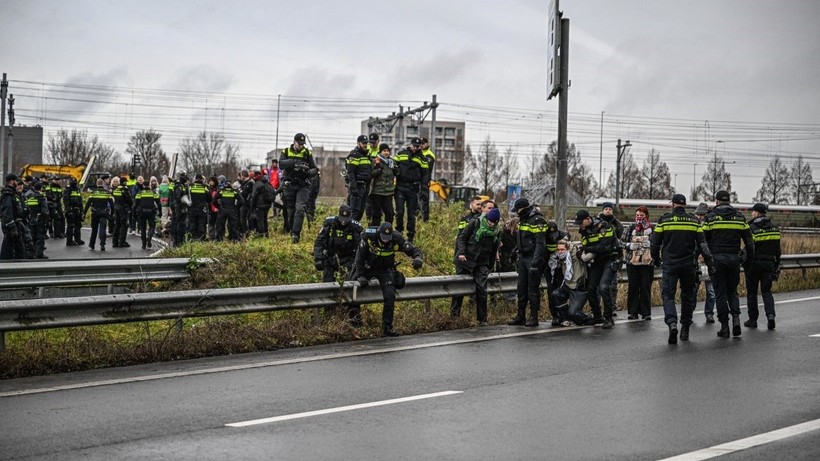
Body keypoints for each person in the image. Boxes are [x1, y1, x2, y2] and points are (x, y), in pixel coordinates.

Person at [651, 194, 715, 344]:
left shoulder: (665, 220)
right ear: (685, 205)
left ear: (673, 204)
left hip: (670, 265)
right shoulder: (694, 221)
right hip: (688, 265)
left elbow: (655, 243)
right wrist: (710, 263)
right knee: (688, 296)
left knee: (668, 295)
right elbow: (703, 245)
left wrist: (656, 259)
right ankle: (685, 328)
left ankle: (672, 323)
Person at [354, 222, 423, 336]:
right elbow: (359, 257)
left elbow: (411, 248)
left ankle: (387, 327)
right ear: (379, 233)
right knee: (354, 289)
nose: (385, 240)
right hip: (367, 267)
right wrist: (360, 274)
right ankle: (355, 321)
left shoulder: (396, 238)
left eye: (388, 238)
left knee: (390, 296)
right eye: (383, 237)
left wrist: (418, 258)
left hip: (384, 270)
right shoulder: (369, 236)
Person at [703, 190, 754, 338]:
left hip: (717, 260)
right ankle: (736, 320)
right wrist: (747, 259)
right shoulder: (740, 217)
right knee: (732, 291)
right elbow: (750, 242)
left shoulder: (710, 217)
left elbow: (703, 241)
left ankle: (725, 327)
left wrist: (706, 258)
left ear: (716, 201)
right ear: (729, 201)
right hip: (734, 260)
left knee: (720, 293)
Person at [314, 205, 363, 320]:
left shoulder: (356, 228)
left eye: (346, 219)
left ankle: (354, 316)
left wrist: (359, 265)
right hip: (331, 258)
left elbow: (361, 249)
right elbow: (319, 242)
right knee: (328, 287)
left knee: (351, 286)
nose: (344, 222)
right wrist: (318, 259)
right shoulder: (330, 224)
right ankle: (329, 316)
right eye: (342, 218)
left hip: (347, 260)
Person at [454, 207, 502, 325]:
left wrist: (490, 266)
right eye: (490, 222)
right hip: (467, 259)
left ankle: (482, 319)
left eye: (494, 223)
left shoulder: (497, 231)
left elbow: (494, 249)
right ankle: (454, 316)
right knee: (459, 290)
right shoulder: (475, 222)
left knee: (482, 290)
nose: (491, 225)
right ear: (487, 219)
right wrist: (461, 252)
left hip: (482, 262)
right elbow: (462, 238)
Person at [576, 208, 619, 329]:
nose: (579, 225)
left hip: (610, 258)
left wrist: (587, 249)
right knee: (591, 288)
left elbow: (604, 247)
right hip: (597, 261)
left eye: (580, 222)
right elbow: (586, 246)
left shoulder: (603, 225)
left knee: (604, 287)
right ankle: (597, 316)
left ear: (588, 219)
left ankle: (609, 318)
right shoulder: (583, 230)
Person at [508, 198, 547, 327]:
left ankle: (533, 317)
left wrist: (535, 263)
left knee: (532, 289)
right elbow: (521, 239)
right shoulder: (523, 219)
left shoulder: (538, 220)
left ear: (524, 208)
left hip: (532, 259)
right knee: (521, 288)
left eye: (518, 210)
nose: (516, 213)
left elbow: (540, 244)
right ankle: (521, 316)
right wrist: (514, 252)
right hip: (523, 258)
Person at [744, 203, 781, 330]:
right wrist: (775, 266)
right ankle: (771, 316)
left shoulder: (751, 228)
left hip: (754, 265)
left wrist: (745, 263)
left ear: (758, 213)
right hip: (768, 265)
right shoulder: (775, 228)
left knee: (752, 293)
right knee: (767, 292)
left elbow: (748, 249)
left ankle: (753, 320)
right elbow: (778, 252)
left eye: (753, 211)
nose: (752, 214)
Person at [280, 133, 318, 243]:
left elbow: (314, 169)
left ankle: (296, 235)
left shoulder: (307, 152)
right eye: (299, 143)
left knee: (300, 209)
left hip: (303, 185)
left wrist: (307, 170)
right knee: (290, 212)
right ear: (294, 141)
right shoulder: (286, 151)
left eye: (302, 144)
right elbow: (281, 164)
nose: (301, 146)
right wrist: (294, 163)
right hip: (290, 184)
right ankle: (292, 231)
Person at [450, 196, 484, 315]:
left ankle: (471, 312)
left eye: (481, 205)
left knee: (476, 288)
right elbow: (461, 238)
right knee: (459, 287)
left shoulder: (482, 219)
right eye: (477, 204)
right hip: (463, 257)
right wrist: (460, 253)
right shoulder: (465, 219)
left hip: (475, 258)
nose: (479, 206)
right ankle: (454, 313)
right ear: (471, 205)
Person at [549, 239, 593, 326]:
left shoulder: (576, 253)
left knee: (574, 314)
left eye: (562, 250)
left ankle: (589, 318)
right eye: (558, 250)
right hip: (568, 284)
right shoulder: (559, 258)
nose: (560, 252)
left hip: (579, 286)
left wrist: (583, 255)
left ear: (567, 249)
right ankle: (565, 318)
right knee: (556, 294)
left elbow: (591, 253)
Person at [393, 137, 428, 242]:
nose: (416, 148)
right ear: (411, 145)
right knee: (399, 211)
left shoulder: (422, 158)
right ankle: (399, 232)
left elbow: (425, 174)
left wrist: (424, 187)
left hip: (413, 188)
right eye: (414, 146)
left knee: (411, 214)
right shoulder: (401, 153)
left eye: (418, 147)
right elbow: (393, 165)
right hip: (400, 187)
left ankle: (410, 236)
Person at [623, 206, 654, 320]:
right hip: (632, 262)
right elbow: (621, 242)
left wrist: (651, 245)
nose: (639, 217)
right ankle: (633, 312)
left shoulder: (652, 229)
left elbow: (658, 243)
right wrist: (628, 245)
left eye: (642, 215)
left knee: (645, 287)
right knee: (633, 286)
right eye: (637, 215)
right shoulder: (630, 228)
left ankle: (646, 313)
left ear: (647, 216)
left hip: (647, 262)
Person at [599, 202, 624, 315]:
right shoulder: (597, 222)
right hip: (599, 256)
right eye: (606, 209)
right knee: (599, 285)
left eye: (610, 209)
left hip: (613, 256)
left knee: (613, 285)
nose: (608, 210)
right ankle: (598, 308)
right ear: (603, 210)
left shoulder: (617, 224)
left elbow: (620, 237)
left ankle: (611, 307)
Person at [693, 203, 717, 323]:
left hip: (709, 262)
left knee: (711, 291)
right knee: (693, 290)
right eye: (698, 215)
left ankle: (709, 314)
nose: (700, 217)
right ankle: (690, 313)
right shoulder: (693, 227)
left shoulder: (711, 227)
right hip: (697, 262)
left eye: (702, 215)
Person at [543, 220, 570, 325]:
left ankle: (564, 316)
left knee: (559, 293)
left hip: (562, 269)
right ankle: (555, 316)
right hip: (550, 266)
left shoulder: (563, 235)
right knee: (551, 292)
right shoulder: (543, 236)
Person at [346, 135, 372, 222]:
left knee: (360, 212)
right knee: (354, 212)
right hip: (357, 186)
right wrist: (353, 187)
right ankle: (350, 232)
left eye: (366, 143)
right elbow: (350, 172)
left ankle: (355, 232)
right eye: (363, 143)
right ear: (358, 143)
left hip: (365, 188)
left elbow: (369, 172)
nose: (365, 145)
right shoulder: (354, 155)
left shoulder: (367, 155)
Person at [368, 143, 396, 227]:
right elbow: (370, 174)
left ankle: (387, 230)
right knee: (376, 214)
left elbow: (395, 173)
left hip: (388, 192)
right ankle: (375, 231)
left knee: (390, 213)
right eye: (384, 151)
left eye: (388, 151)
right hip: (377, 192)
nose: (386, 153)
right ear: (380, 152)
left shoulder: (392, 162)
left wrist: (397, 170)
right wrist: (377, 170)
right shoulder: (375, 161)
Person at [83, 178, 113, 251]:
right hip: (104, 213)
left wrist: (84, 212)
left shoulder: (93, 192)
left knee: (94, 229)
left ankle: (92, 245)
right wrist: (112, 213)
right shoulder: (107, 192)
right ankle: (102, 245)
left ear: (97, 184)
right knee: (103, 229)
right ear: (102, 184)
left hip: (95, 213)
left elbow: (88, 204)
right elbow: (112, 204)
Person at [1, 174, 26, 259]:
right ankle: (5, 269)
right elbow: (7, 211)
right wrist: (12, 227)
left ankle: (16, 268)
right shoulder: (8, 194)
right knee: (8, 251)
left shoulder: (12, 193)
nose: (17, 183)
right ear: (11, 181)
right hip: (11, 226)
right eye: (16, 181)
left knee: (19, 250)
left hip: (16, 224)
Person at [133, 180, 161, 249]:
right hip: (151, 212)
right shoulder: (153, 193)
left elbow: (135, 204)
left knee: (143, 228)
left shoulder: (140, 193)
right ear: (149, 185)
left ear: (143, 185)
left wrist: (134, 213)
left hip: (142, 212)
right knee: (152, 226)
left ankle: (143, 244)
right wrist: (160, 212)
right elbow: (158, 203)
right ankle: (149, 238)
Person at [186, 174, 210, 241]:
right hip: (202, 210)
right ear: (202, 179)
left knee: (192, 224)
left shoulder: (190, 186)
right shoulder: (205, 187)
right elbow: (209, 199)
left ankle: (191, 240)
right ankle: (201, 240)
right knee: (201, 225)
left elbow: (186, 197)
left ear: (195, 179)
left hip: (192, 209)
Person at [62, 178, 85, 247]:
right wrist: (68, 210)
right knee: (71, 225)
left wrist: (82, 210)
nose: (74, 183)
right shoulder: (68, 189)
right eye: (73, 182)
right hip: (71, 210)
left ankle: (78, 239)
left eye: (75, 181)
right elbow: (65, 200)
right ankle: (69, 241)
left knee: (78, 225)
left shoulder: (77, 189)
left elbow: (80, 200)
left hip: (77, 209)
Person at [111, 176, 132, 248]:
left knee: (117, 225)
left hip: (116, 208)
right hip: (123, 209)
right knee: (124, 225)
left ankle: (114, 242)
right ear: (124, 182)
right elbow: (129, 200)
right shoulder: (124, 189)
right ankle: (122, 242)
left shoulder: (116, 189)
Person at [418, 137, 436, 222]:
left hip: (424, 181)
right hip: (417, 180)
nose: (421, 145)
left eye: (423, 143)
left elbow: (427, 170)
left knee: (424, 201)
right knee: (417, 200)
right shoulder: (419, 152)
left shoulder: (429, 154)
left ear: (427, 144)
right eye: (420, 143)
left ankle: (425, 219)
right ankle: (418, 217)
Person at [170, 172, 190, 247]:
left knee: (181, 224)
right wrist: (182, 206)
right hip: (178, 207)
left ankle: (180, 239)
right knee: (178, 223)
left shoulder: (184, 186)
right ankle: (177, 240)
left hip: (181, 207)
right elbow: (178, 198)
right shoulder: (179, 186)